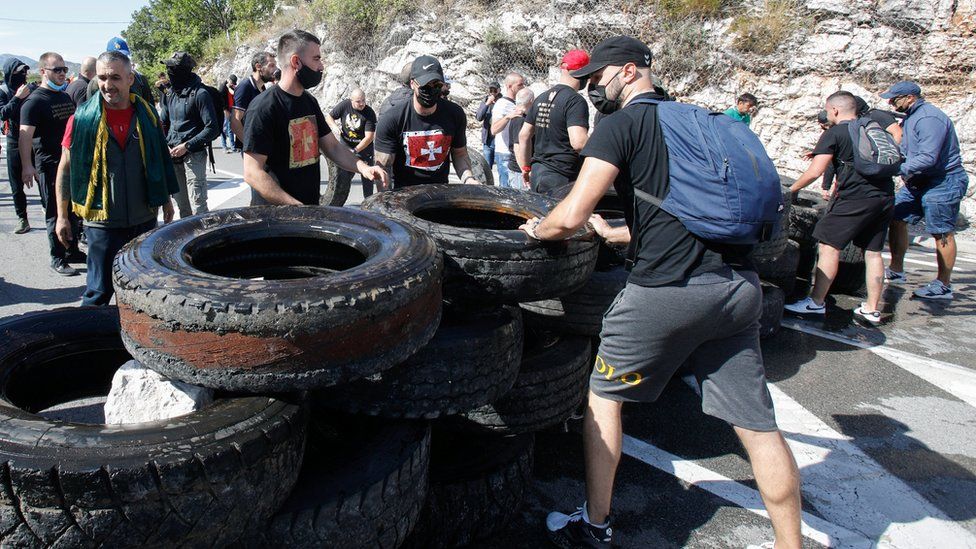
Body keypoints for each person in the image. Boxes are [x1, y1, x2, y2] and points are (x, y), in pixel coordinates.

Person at [521, 36, 801, 549]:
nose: (592, 91)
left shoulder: (623, 125)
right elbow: (682, 215)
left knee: (604, 399)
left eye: (597, 80)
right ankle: (790, 544)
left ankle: (596, 523)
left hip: (666, 292)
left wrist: (536, 232)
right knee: (758, 427)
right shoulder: (697, 122)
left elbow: (570, 215)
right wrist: (619, 234)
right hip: (739, 289)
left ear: (629, 72)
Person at [54, 50, 178, 306]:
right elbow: (65, 170)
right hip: (102, 224)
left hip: (143, 219)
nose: (108, 85)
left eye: (115, 77)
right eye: (102, 78)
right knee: (98, 293)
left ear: (130, 78)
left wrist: (165, 199)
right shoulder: (80, 119)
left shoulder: (147, 115)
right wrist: (63, 216)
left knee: (144, 290)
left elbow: (158, 159)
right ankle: (90, 343)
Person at [784, 91, 895, 324]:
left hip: (854, 198)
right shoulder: (871, 128)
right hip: (884, 196)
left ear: (834, 110)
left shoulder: (835, 132)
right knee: (873, 252)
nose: (827, 114)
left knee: (828, 246)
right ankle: (872, 309)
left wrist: (789, 191)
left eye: (827, 110)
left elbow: (815, 171)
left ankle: (815, 303)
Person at [242, 30, 386, 205]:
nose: (322, 66)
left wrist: (364, 168)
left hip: (309, 211)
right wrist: (294, 206)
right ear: (296, 62)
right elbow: (252, 172)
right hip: (275, 219)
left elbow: (332, 147)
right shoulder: (263, 107)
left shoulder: (309, 101)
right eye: (316, 59)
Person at [881, 81, 969, 300]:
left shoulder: (929, 119)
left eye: (895, 99)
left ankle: (943, 285)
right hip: (918, 181)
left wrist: (896, 169)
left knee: (941, 231)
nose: (891, 103)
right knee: (897, 217)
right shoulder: (912, 116)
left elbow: (929, 157)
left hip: (942, 182)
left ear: (910, 98)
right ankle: (896, 270)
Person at [19, 52, 85, 276]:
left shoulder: (65, 96)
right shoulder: (34, 101)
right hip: (48, 165)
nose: (62, 73)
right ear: (43, 72)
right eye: (57, 70)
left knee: (73, 210)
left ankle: (72, 250)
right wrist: (27, 166)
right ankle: (57, 257)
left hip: (69, 163)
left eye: (64, 69)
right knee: (55, 212)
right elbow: (25, 137)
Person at [374, 55, 477, 189]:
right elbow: (383, 166)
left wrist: (469, 179)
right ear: (412, 84)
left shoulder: (455, 114)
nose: (431, 89)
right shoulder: (392, 119)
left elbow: (459, 153)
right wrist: (385, 199)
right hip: (404, 194)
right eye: (425, 85)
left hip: (440, 193)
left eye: (436, 85)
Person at [517, 49, 591, 198]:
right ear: (583, 73)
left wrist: (526, 168)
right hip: (562, 178)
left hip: (538, 173)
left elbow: (524, 135)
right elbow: (578, 142)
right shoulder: (575, 101)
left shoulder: (541, 98)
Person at [159, 52, 218, 218]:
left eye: (173, 68)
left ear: (184, 70)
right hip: (173, 156)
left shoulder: (201, 94)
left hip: (194, 156)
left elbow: (212, 128)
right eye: (168, 68)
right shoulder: (170, 94)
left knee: (199, 208)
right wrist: (164, 145)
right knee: (184, 210)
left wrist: (186, 146)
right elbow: (163, 122)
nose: (169, 72)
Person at [0, 58, 33, 234]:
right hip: (14, 140)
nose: (23, 75)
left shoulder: (31, 89)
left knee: (42, 179)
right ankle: (22, 218)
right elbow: (3, 114)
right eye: (19, 72)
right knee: (16, 185)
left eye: (25, 72)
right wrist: (17, 97)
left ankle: (51, 212)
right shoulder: (4, 91)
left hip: (34, 139)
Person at [326, 88, 378, 199]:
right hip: (346, 145)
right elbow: (329, 117)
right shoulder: (344, 105)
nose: (362, 103)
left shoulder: (369, 113)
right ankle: (337, 203)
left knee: (368, 178)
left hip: (363, 149)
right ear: (351, 101)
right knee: (342, 179)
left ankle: (368, 204)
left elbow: (369, 137)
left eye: (363, 100)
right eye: (358, 101)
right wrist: (334, 127)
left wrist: (354, 151)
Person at [85, 37, 155, 105]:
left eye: (122, 56)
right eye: (114, 57)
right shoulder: (94, 84)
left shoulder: (140, 79)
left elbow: (150, 110)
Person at [230, 52, 277, 147]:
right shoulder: (245, 86)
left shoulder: (262, 88)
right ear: (258, 66)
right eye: (271, 66)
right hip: (254, 149)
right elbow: (235, 121)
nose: (275, 70)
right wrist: (250, 145)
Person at [489, 72, 526, 188]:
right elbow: (494, 130)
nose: (523, 87)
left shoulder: (517, 103)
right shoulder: (501, 104)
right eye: (520, 85)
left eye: (523, 84)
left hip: (515, 153)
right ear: (510, 86)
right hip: (505, 153)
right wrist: (508, 116)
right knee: (506, 191)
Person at [507, 87, 535, 189]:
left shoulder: (522, 117)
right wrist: (525, 170)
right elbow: (517, 147)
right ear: (531, 101)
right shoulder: (520, 120)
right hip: (518, 172)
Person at [475, 81, 501, 168]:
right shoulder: (486, 100)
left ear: (499, 90)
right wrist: (487, 104)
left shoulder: (502, 101)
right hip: (488, 140)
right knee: (487, 168)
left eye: (495, 90)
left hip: (499, 140)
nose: (493, 92)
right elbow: (479, 117)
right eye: (491, 90)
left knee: (501, 167)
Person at [217, 74, 238, 152]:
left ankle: (233, 147)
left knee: (231, 128)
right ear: (229, 80)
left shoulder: (231, 87)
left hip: (231, 109)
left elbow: (234, 94)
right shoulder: (222, 87)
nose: (233, 84)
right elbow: (219, 100)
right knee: (224, 128)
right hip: (225, 110)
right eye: (232, 82)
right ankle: (224, 146)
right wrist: (224, 110)